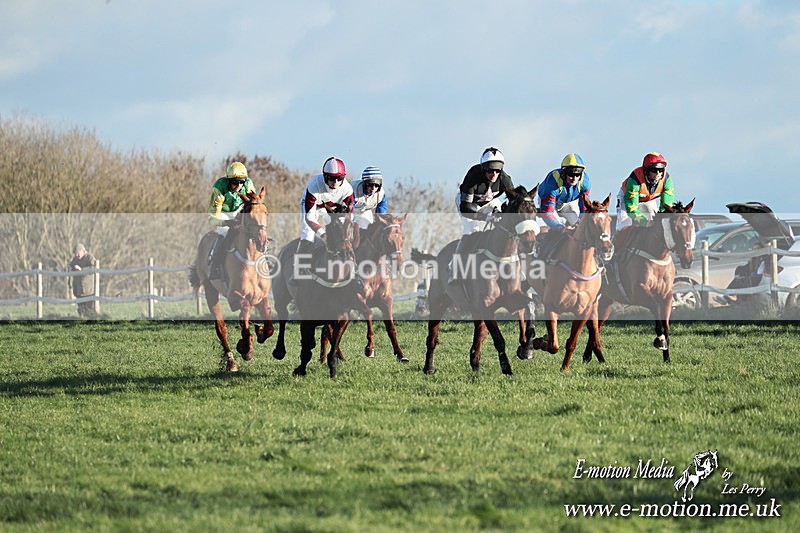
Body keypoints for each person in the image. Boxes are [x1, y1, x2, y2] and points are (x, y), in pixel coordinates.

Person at [449, 147, 514, 283]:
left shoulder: (505, 179)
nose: (494, 174)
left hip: (489, 202)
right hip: (468, 204)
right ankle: (455, 267)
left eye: (497, 170)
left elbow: (513, 201)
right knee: (473, 231)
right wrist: (483, 217)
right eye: (490, 170)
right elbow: (465, 207)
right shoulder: (473, 176)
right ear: (483, 168)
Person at [535, 153, 592, 261]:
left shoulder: (585, 183)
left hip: (569, 203)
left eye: (577, 175)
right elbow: (548, 213)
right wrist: (562, 228)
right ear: (564, 173)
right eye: (570, 174)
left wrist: (580, 222)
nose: (574, 178)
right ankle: (543, 254)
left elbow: (583, 208)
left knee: (582, 228)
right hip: (550, 204)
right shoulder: (553, 183)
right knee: (557, 229)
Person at [207, 161, 256, 280]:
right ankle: (215, 264)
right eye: (235, 182)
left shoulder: (248, 184)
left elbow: (254, 205)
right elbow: (212, 219)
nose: (239, 185)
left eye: (241, 182)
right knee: (223, 233)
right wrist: (226, 222)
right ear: (228, 180)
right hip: (222, 213)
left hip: (239, 211)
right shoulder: (219, 188)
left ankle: (263, 259)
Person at [297, 156, 355, 256]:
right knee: (308, 235)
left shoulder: (347, 189)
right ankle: (299, 266)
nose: (335, 182)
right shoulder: (314, 186)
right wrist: (323, 235)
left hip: (330, 208)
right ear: (325, 177)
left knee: (343, 236)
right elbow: (309, 218)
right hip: (313, 207)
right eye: (332, 178)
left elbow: (351, 215)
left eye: (339, 178)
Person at [615, 152, 675, 232]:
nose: (658, 174)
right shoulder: (635, 179)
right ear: (646, 170)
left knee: (657, 224)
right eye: (654, 170)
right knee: (625, 224)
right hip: (628, 200)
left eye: (661, 170)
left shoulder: (667, 180)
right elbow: (632, 209)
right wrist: (644, 222)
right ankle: (615, 241)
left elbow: (666, 207)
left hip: (648, 200)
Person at [351, 166, 388, 230]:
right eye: (370, 185)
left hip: (365, 212)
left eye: (376, 185)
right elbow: (349, 210)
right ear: (364, 184)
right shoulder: (353, 189)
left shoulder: (381, 195)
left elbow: (381, 214)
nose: (373, 188)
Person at [69, 243, 97, 317]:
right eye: (75, 254)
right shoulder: (75, 260)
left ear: (83, 251)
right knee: (81, 310)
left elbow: (93, 268)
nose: (77, 255)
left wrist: (81, 270)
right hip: (78, 289)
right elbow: (70, 268)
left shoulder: (90, 258)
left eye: (78, 253)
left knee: (89, 310)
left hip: (88, 290)